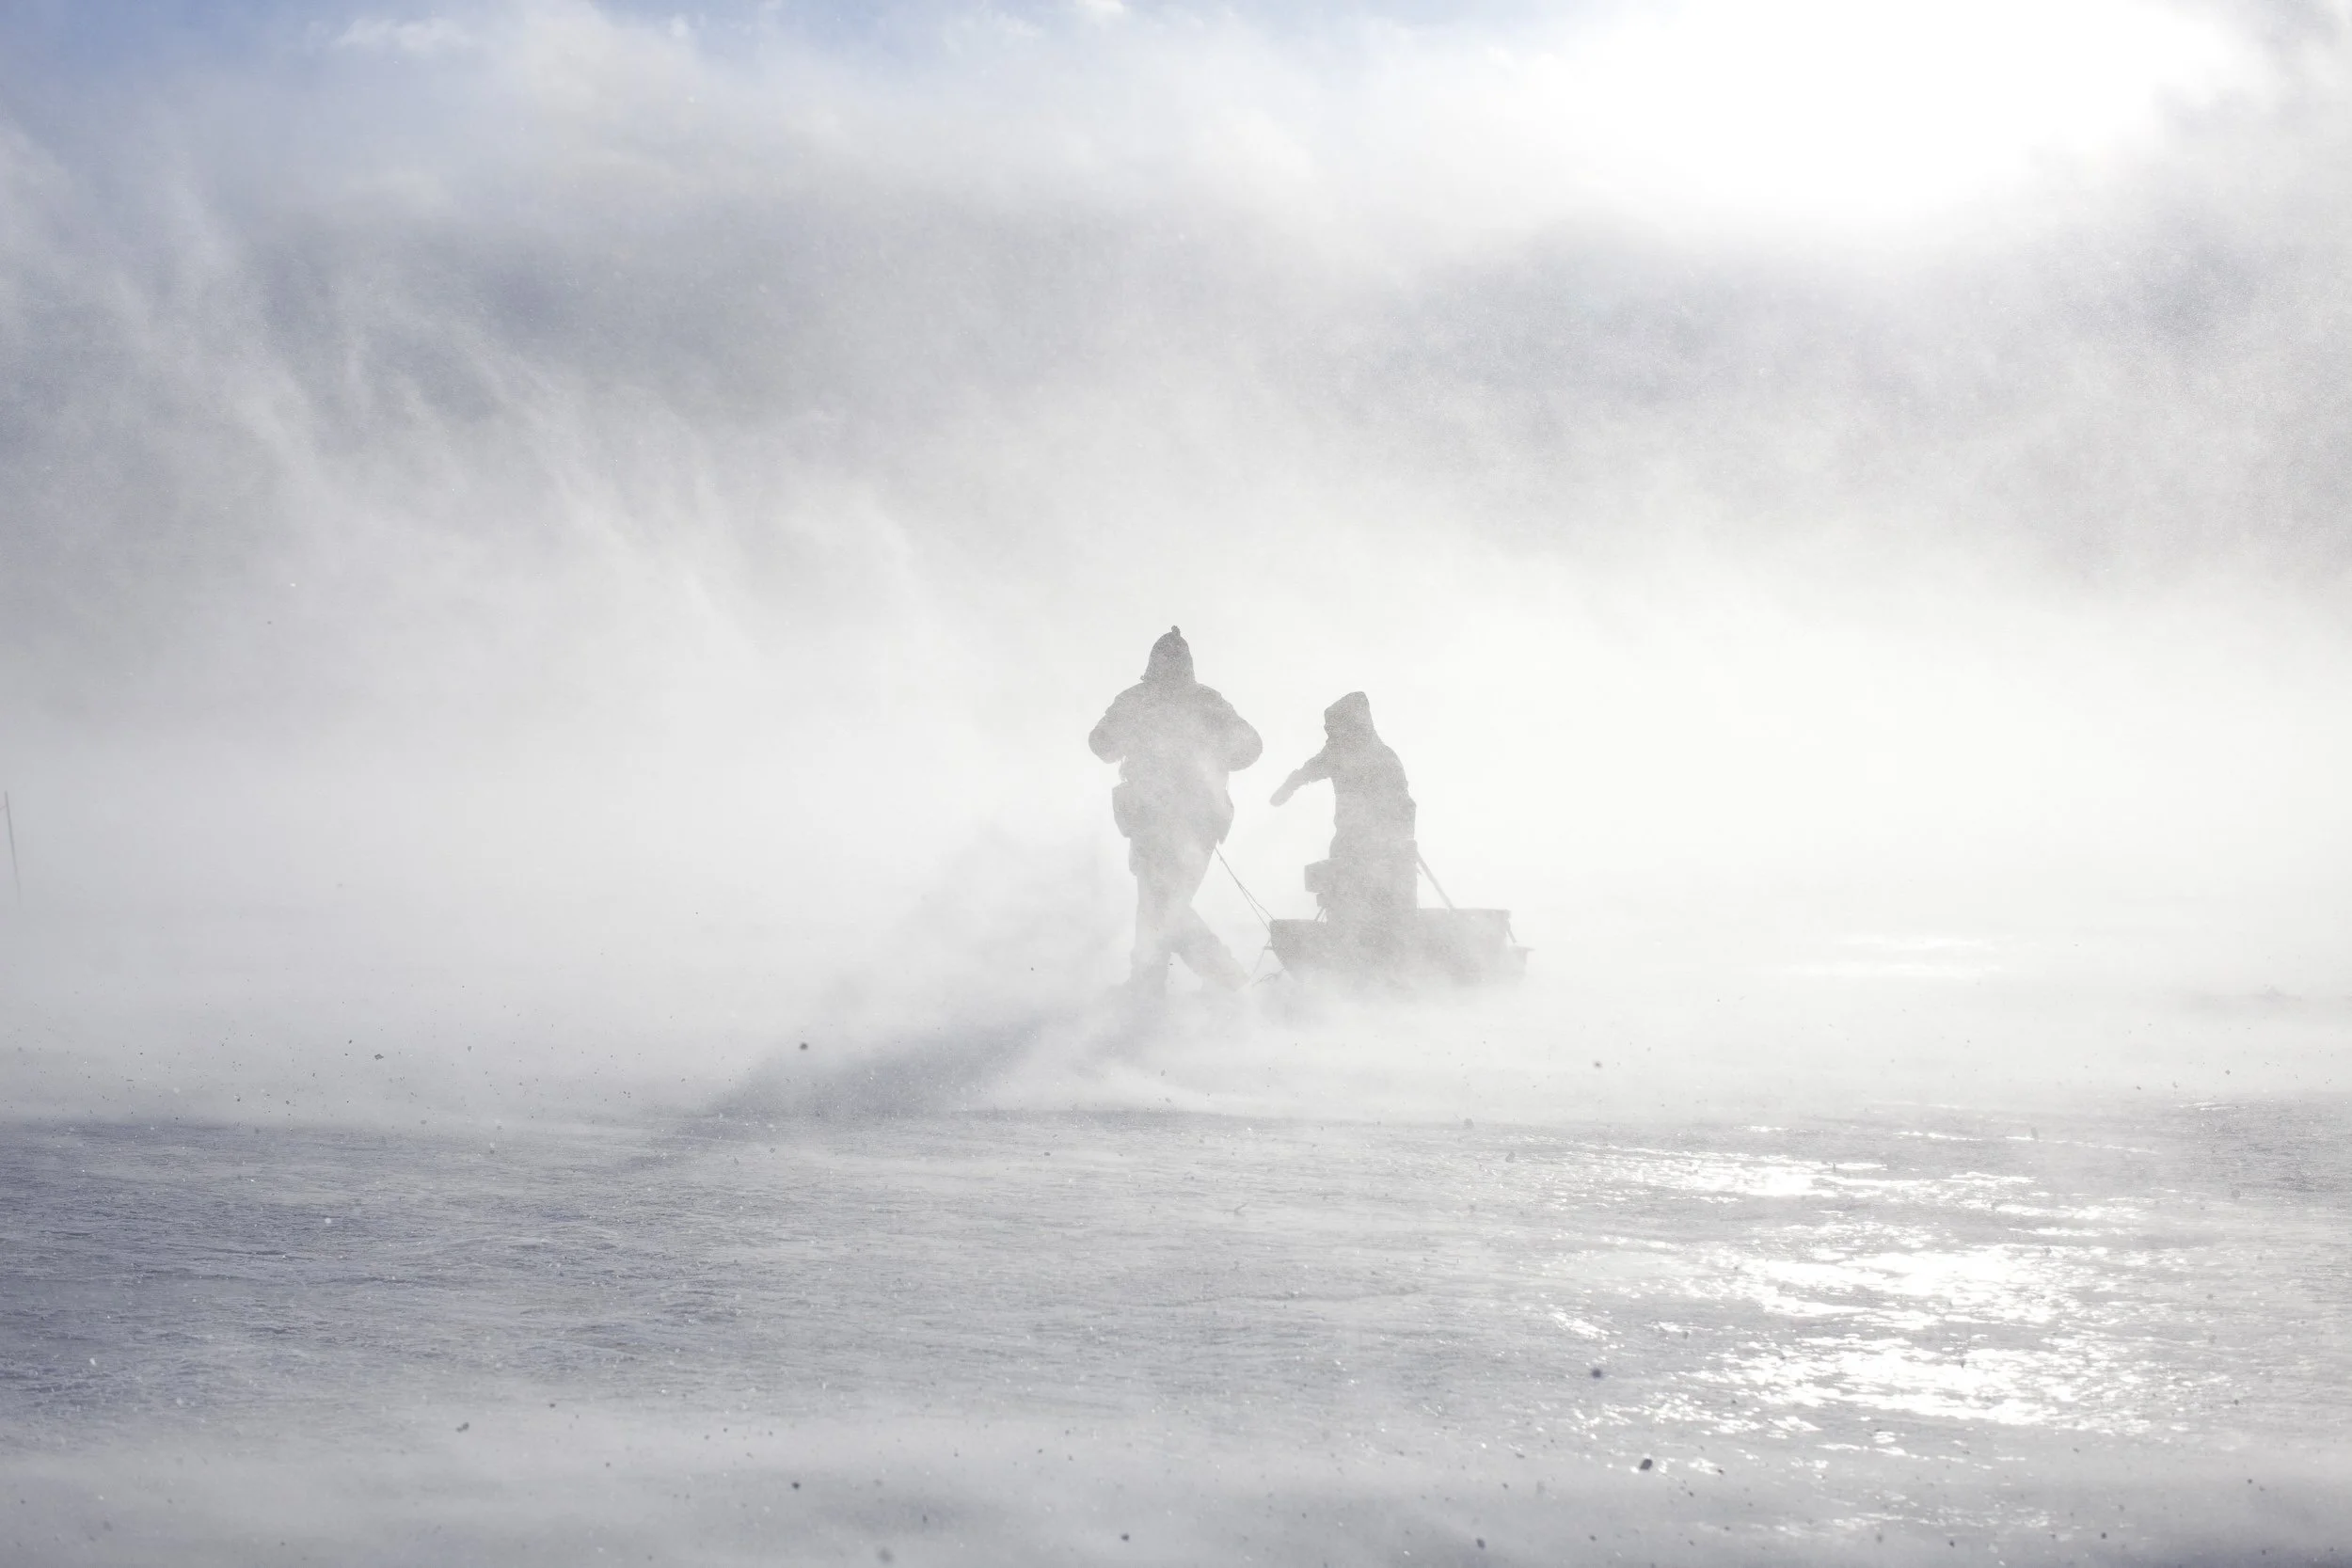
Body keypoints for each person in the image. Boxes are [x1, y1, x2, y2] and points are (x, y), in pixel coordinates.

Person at [1089, 627, 1263, 995]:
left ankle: (1219, 977)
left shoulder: (1190, 702)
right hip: (1162, 817)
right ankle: (1157, 983)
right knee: (1160, 902)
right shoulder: (1179, 700)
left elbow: (1249, 746)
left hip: (1187, 819)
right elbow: (1102, 742)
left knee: (1162, 903)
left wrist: (1210, 754)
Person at [1270, 691, 1417, 974]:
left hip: (1385, 852)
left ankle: (1387, 971)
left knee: (1383, 913)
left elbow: (1403, 812)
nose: (1331, 739)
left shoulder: (1384, 760)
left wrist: (1391, 848)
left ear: (1354, 727)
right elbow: (1314, 766)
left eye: (1337, 730)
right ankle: (1348, 966)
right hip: (1348, 845)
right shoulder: (1339, 752)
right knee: (1342, 906)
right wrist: (1291, 784)